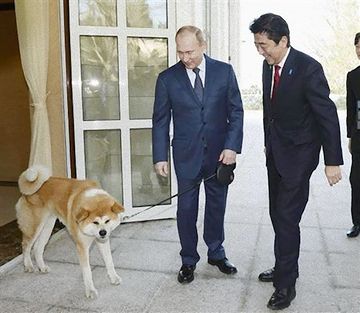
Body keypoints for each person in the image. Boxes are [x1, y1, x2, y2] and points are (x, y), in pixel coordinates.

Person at [249, 13, 343, 310]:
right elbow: (269, 111)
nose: (261, 51)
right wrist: (267, 143)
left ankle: (285, 285)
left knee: (287, 218)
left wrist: (333, 161)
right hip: (276, 153)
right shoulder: (268, 67)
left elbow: (326, 115)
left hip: (299, 156)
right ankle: (284, 266)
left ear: (283, 40)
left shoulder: (308, 68)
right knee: (277, 215)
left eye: (265, 45)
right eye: (257, 45)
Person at [152, 25, 243, 284]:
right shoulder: (167, 78)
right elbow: (160, 120)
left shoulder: (224, 72)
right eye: (180, 52)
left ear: (203, 46)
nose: (185, 58)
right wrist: (160, 156)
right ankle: (188, 259)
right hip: (186, 155)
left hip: (219, 155)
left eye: (190, 51)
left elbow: (236, 111)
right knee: (187, 209)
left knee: (217, 205)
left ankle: (216, 252)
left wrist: (231, 146)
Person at [346, 32, 360, 238]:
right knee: (356, 180)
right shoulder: (353, 76)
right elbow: (351, 109)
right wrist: (350, 136)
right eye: (357, 46)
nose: (359, 51)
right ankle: (357, 222)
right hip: (359, 136)